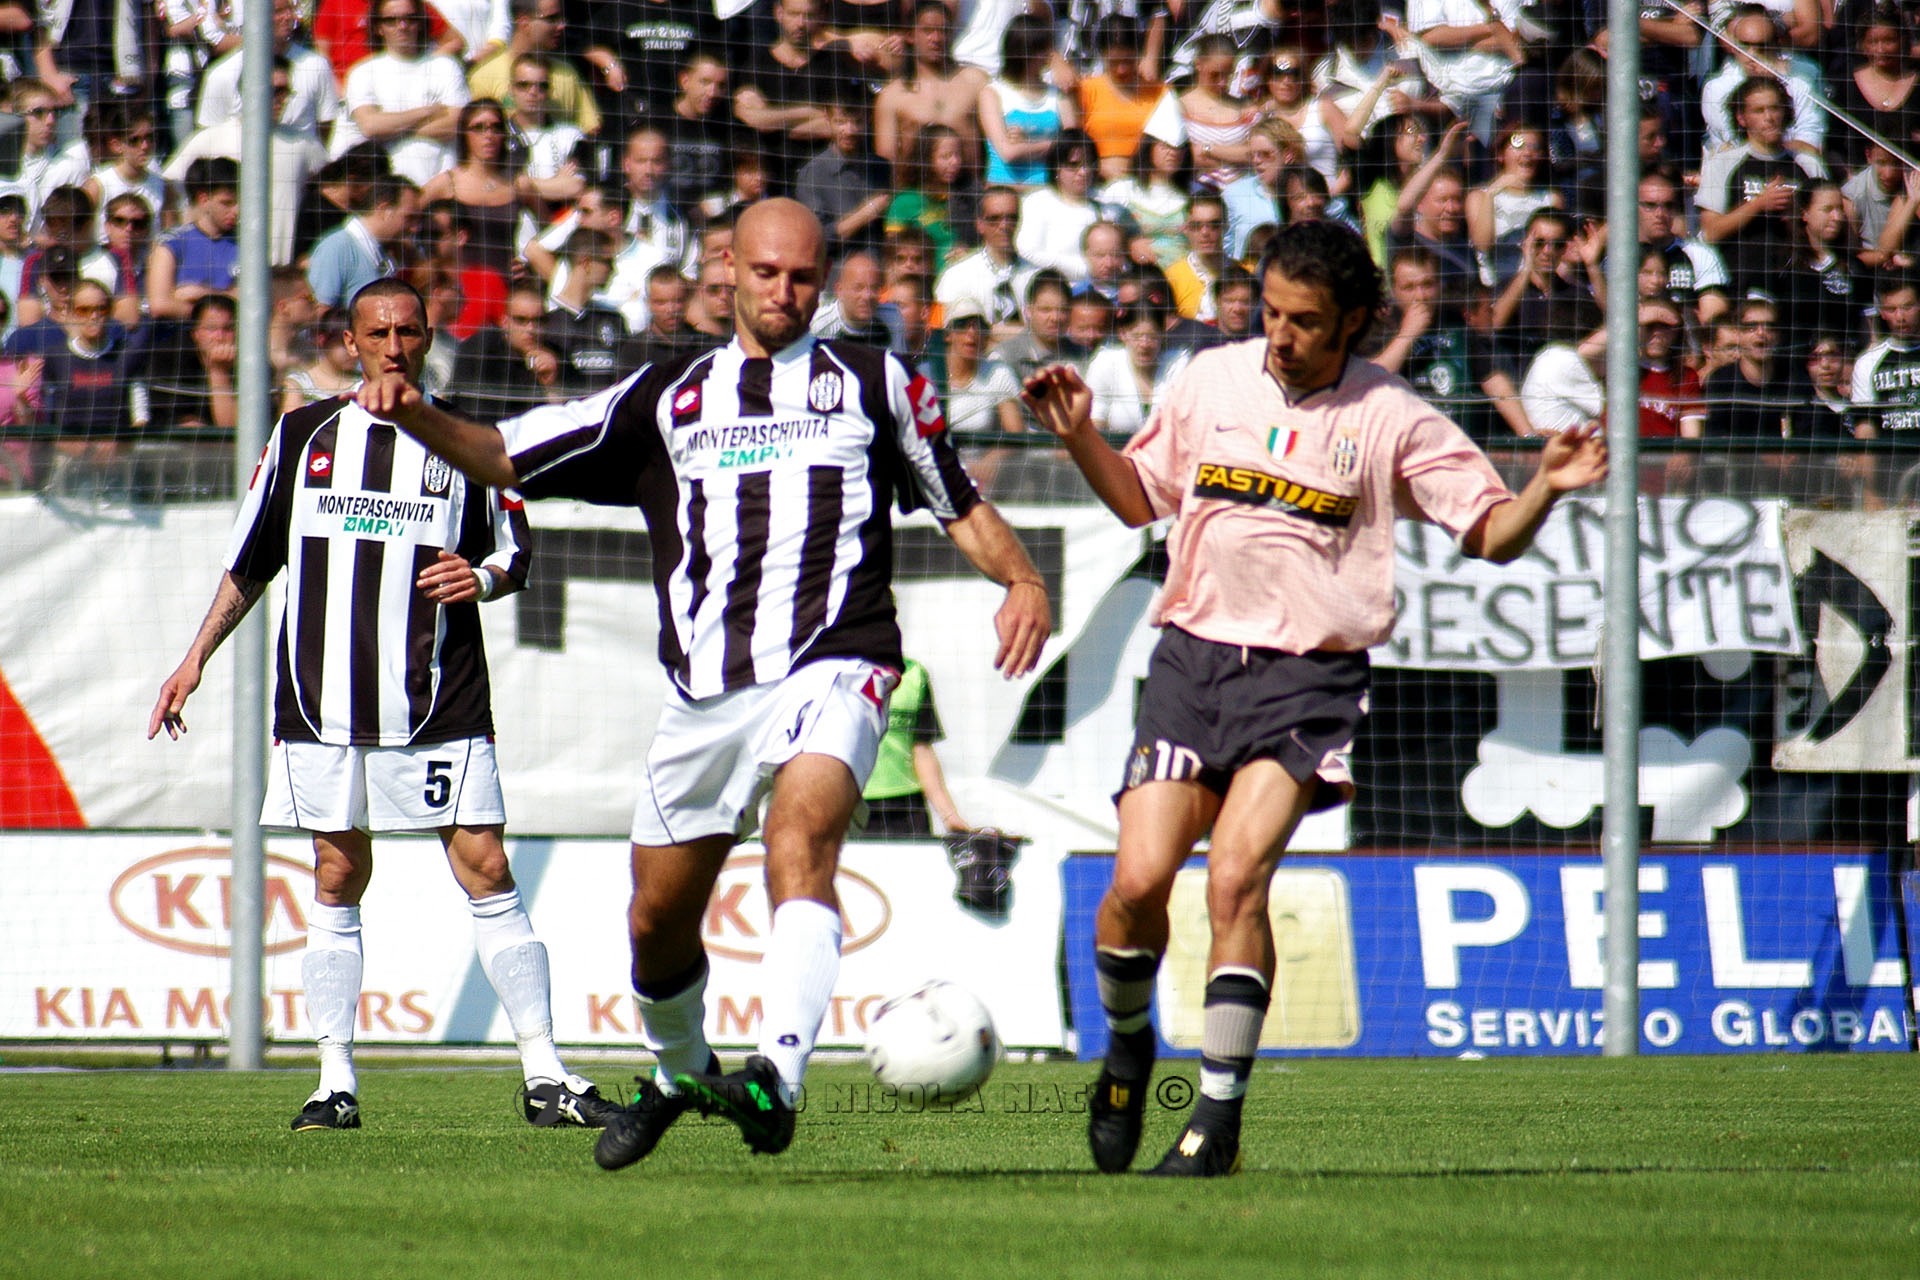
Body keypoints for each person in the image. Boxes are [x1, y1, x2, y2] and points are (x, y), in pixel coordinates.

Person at [350, 199, 1052, 1168]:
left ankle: (777, 1079)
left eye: (801, 276)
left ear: (822, 278)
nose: (783, 291)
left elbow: (957, 501)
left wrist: (1022, 579)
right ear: (728, 268)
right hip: (705, 696)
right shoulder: (667, 395)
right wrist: (418, 415)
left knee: (801, 837)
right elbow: (506, 453)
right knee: (655, 922)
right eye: (765, 273)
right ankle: (681, 1071)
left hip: (837, 660)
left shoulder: (875, 381)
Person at [1020, 219, 1605, 1177]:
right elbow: (1136, 499)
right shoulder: (1210, 379)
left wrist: (1545, 485)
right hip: (1193, 662)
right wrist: (1080, 433)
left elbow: (1491, 533)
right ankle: (1127, 1052)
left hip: (1306, 679)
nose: (1281, 336)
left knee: (1235, 880)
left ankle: (1214, 1125)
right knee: (1137, 884)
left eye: (1305, 322)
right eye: (1271, 313)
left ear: (1353, 324)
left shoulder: (1392, 414)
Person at [149, 277, 615, 1135]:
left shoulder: (466, 440)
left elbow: (515, 551)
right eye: (377, 332)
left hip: (436, 699)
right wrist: (193, 659)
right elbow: (251, 560)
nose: (393, 345)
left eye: (408, 331)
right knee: (336, 874)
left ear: (428, 337)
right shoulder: (302, 436)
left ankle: (546, 1073)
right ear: (351, 341)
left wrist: (480, 578)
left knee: (486, 867)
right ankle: (334, 1083)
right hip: (321, 700)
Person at [861, 657, 968, 837]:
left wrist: (950, 817)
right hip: (848, 805)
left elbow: (921, 750)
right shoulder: (834, 670)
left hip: (907, 808)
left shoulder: (915, 673)